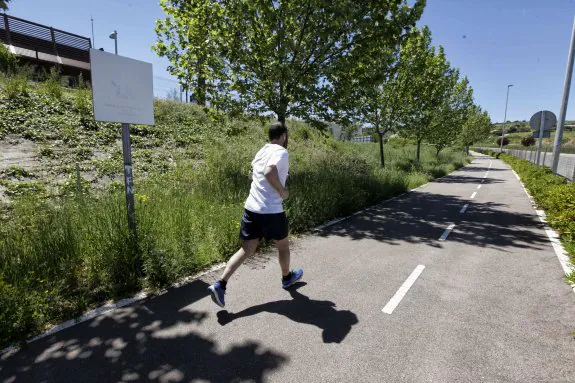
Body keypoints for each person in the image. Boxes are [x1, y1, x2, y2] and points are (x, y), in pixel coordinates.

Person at [208, 122, 303, 308]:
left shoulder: (261, 151)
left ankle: (220, 285)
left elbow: (255, 175)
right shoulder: (281, 151)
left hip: (252, 208)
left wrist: (280, 178)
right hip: (271, 210)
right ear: (283, 136)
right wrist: (282, 190)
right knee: (283, 246)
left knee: (247, 248)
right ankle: (287, 278)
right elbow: (269, 172)